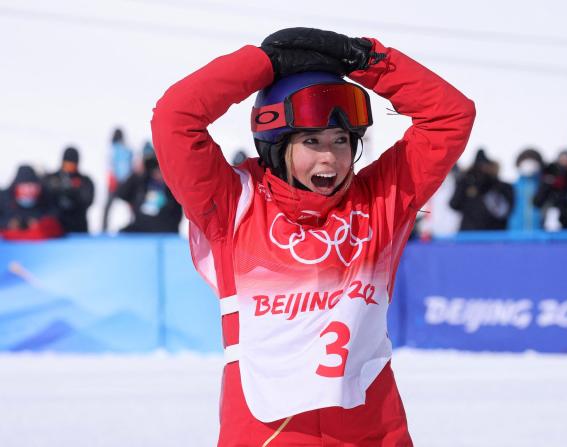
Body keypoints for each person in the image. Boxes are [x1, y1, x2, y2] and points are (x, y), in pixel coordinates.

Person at [151, 27, 475, 446]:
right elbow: (175, 118)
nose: (331, 157)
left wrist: (368, 61)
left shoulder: (381, 202)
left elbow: (451, 116)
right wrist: (263, 65)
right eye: (311, 141)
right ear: (275, 144)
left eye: (342, 140)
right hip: (266, 434)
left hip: (374, 433)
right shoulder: (233, 205)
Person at [116, 142, 182, 233]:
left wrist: (170, 174)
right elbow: (120, 193)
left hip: (166, 231)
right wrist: (136, 173)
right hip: (141, 229)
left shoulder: (173, 186)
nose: (157, 171)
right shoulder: (141, 182)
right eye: (154, 166)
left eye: (160, 166)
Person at [449, 148, 514, 231]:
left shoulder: (501, 187)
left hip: (494, 236)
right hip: (468, 236)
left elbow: (505, 211)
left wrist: (488, 184)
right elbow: (454, 204)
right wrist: (464, 183)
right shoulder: (466, 184)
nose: (481, 171)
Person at [0, 165, 63, 240]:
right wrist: (7, 223)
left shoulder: (46, 197)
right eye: (24, 187)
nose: (28, 191)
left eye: (32, 186)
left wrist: (41, 224)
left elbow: (56, 217)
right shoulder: (4, 198)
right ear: (16, 187)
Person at [43, 146, 95, 233]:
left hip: (79, 227)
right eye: (67, 163)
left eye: (72, 164)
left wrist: (73, 191)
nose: (70, 167)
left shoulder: (85, 181)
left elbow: (88, 200)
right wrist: (57, 189)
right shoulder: (51, 179)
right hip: (56, 227)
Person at [102, 127, 134, 232]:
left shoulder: (113, 149)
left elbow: (109, 165)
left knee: (109, 206)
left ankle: (104, 227)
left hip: (120, 181)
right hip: (122, 181)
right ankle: (104, 227)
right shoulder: (125, 149)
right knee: (109, 206)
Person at [508, 148, 544, 232]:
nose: (529, 166)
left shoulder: (543, 188)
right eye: (525, 161)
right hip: (514, 235)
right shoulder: (511, 188)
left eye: (533, 161)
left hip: (539, 236)